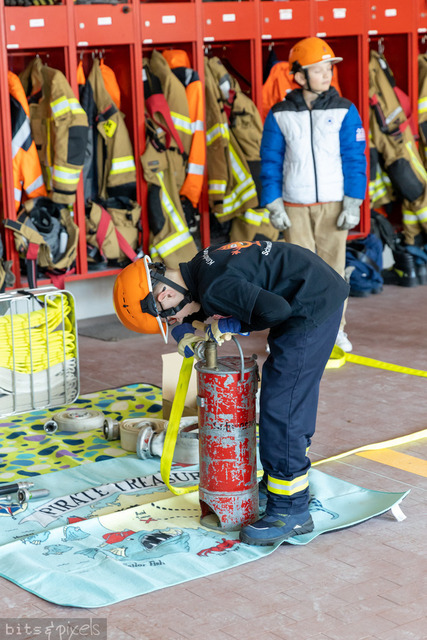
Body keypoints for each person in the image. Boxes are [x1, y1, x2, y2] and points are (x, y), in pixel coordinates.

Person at [113, 240, 349, 545]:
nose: (171, 322)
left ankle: (291, 510)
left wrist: (232, 324)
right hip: (305, 285)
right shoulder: (199, 267)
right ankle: (278, 485)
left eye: (167, 318)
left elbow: (276, 310)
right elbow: (199, 304)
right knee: (282, 396)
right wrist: (184, 332)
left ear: (165, 294)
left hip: (312, 303)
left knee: (283, 407)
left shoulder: (215, 287)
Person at [260, 36, 367, 353]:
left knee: (334, 273)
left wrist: (353, 202)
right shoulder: (279, 114)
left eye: (329, 69)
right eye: (318, 70)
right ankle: (292, 334)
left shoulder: (345, 110)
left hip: (334, 205)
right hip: (294, 207)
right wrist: (273, 203)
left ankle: (335, 331)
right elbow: (270, 161)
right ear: (299, 75)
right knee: (294, 275)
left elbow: (355, 158)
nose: (326, 75)